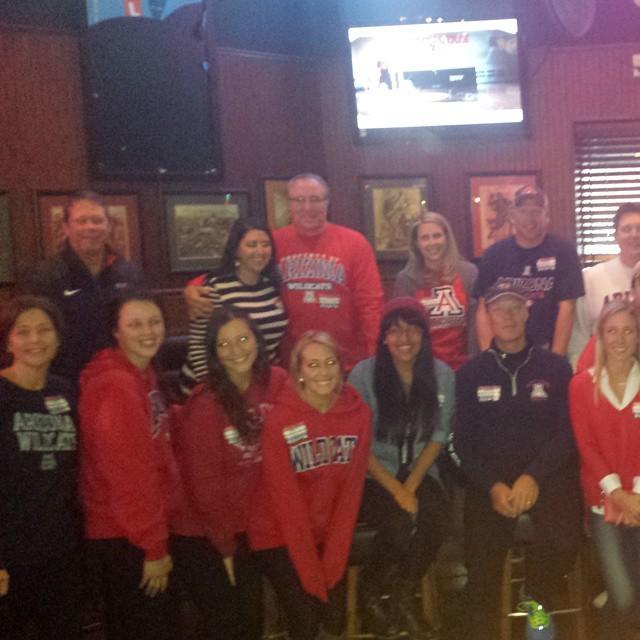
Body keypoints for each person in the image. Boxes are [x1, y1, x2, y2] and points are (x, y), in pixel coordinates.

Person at [455, 282, 582, 640]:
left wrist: (533, 476)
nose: (508, 316)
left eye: (515, 308)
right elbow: (462, 443)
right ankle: (485, 625)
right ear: (488, 316)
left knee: (565, 542)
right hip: (490, 481)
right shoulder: (469, 374)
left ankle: (535, 597)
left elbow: (568, 432)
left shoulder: (557, 368)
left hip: (547, 474)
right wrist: (492, 485)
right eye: (499, 309)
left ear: (527, 313)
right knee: (480, 564)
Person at [186, 174, 384, 372]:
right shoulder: (272, 243)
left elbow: (370, 306)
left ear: (327, 203)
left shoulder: (355, 243)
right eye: (299, 200)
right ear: (289, 203)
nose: (307, 207)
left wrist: (375, 359)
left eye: (315, 199)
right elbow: (232, 271)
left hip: (346, 364)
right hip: (290, 367)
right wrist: (192, 287)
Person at [171, 306, 288, 639]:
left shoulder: (278, 382)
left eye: (242, 338)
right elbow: (205, 487)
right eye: (225, 344)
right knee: (232, 623)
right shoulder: (206, 403)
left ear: (257, 340)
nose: (236, 350)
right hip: (203, 532)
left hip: (248, 526)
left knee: (250, 620)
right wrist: (224, 550)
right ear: (214, 353)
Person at [248, 331, 372, 640]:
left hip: (328, 532)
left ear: (341, 366)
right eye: (313, 365)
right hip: (278, 534)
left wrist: (331, 560)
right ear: (299, 372)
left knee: (334, 617)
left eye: (330, 362)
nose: (323, 372)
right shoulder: (280, 420)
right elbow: (285, 502)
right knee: (306, 619)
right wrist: (312, 572)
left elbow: (350, 494)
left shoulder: (359, 416)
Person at [348, 297, 454, 640]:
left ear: (425, 334)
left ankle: (403, 595)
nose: (404, 338)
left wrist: (410, 486)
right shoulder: (362, 375)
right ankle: (369, 593)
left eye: (412, 329)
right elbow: (358, 445)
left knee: (437, 516)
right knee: (397, 523)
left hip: (421, 471)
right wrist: (396, 490)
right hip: (373, 475)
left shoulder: (442, 375)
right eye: (395, 330)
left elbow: (438, 437)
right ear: (383, 336)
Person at [78, 291, 180, 640]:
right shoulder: (115, 385)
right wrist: (154, 547)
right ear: (116, 332)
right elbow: (129, 476)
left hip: (136, 530)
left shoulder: (142, 372)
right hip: (125, 536)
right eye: (135, 324)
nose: (148, 331)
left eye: (154, 322)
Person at [0, 296, 81, 640]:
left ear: (58, 338)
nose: (35, 340)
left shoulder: (66, 391)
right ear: (8, 341)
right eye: (24, 332)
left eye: (44, 330)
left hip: (60, 549)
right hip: (9, 556)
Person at [570, 299, 640, 637]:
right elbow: (588, 447)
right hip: (602, 501)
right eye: (611, 331)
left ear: (638, 336)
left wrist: (636, 496)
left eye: (628, 330)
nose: (620, 339)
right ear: (599, 335)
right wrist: (618, 494)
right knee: (625, 597)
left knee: (633, 596)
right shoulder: (581, 386)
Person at [24, 191, 143, 381]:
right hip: (67, 381)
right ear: (66, 227)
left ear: (108, 225)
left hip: (120, 379)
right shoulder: (45, 276)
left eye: (97, 220)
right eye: (81, 221)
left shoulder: (129, 274)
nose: (90, 227)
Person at [474, 185, 584, 356]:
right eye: (524, 211)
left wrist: (556, 359)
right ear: (512, 216)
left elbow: (567, 309)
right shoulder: (494, 254)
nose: (530, 218)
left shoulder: (564, 251)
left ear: (547, 216)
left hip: (546, 349)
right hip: (504, 350)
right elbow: (483, 310)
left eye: (536, 211)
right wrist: (490, 358)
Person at [181, 218, 288, 391]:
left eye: (265, 244)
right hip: (215, 387)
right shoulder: (214, 288)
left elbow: (269, 348)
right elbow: (199, 347)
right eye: (251, 245)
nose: (260, 251)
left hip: (257, 385)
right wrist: (212, 389)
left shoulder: (272, 285)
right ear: (236, 249)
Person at [394, 211, 478, 370]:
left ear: (447, 238)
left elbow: (475, 325)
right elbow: (403, 331)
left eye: (437, 236)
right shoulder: (405, 279)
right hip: (423, 368)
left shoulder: (469, 273)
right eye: (425, 238)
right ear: (416, 243)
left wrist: (474, 363)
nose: (432, 243)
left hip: (464, 365)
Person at [568, 203, 640, 367]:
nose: (634, 235)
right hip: (602, 375)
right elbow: (579, 334)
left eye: (639, 228)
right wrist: (580, 370)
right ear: (616, 236)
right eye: (627, 229)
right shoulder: (591, 277)